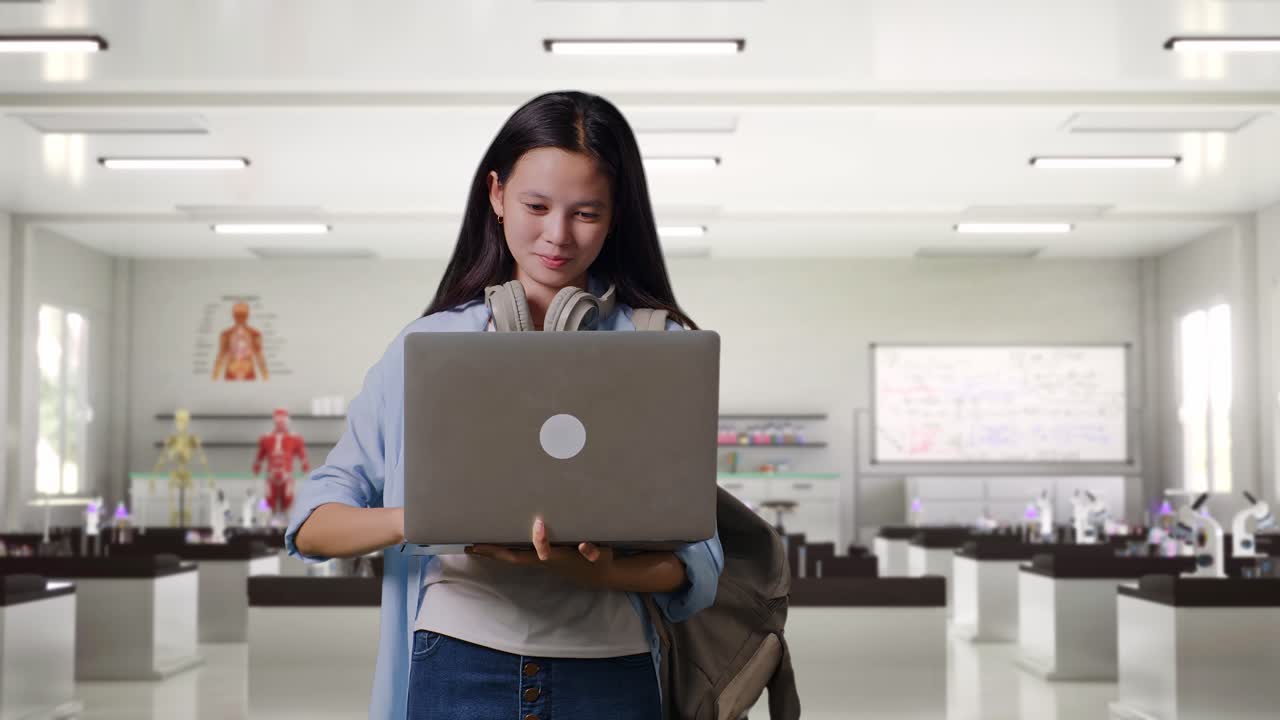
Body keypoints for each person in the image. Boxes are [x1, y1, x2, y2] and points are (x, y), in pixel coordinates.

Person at [287, 91, 724, 720]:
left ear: (616, 215)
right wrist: (430, 518)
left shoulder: (659, 347)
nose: (557, 236)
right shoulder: (428, 346)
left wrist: (595, 574)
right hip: (458, 658)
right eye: (536, 206)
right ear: (496, 196)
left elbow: (696, 563)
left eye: (586, 213)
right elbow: (313, 524)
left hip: (610, 669)